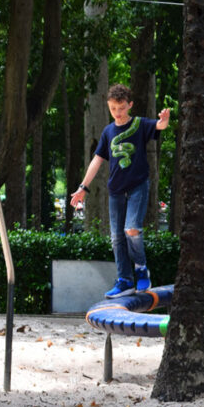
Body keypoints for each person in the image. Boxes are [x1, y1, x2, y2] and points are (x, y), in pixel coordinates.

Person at [70, 84, 171, 298]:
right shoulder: (108, 132)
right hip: (115, 190)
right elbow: (96, 161)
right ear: (108, 106)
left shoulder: (140, 124)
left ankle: (141, 269)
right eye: (114, 108)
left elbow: (160, 126)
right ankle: (125, 280)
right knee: (116, 237)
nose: (118, 113)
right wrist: (82, 188)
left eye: (122, 108)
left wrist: (164, 120)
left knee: (131, 229)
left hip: (138, 186)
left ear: (130, 105)